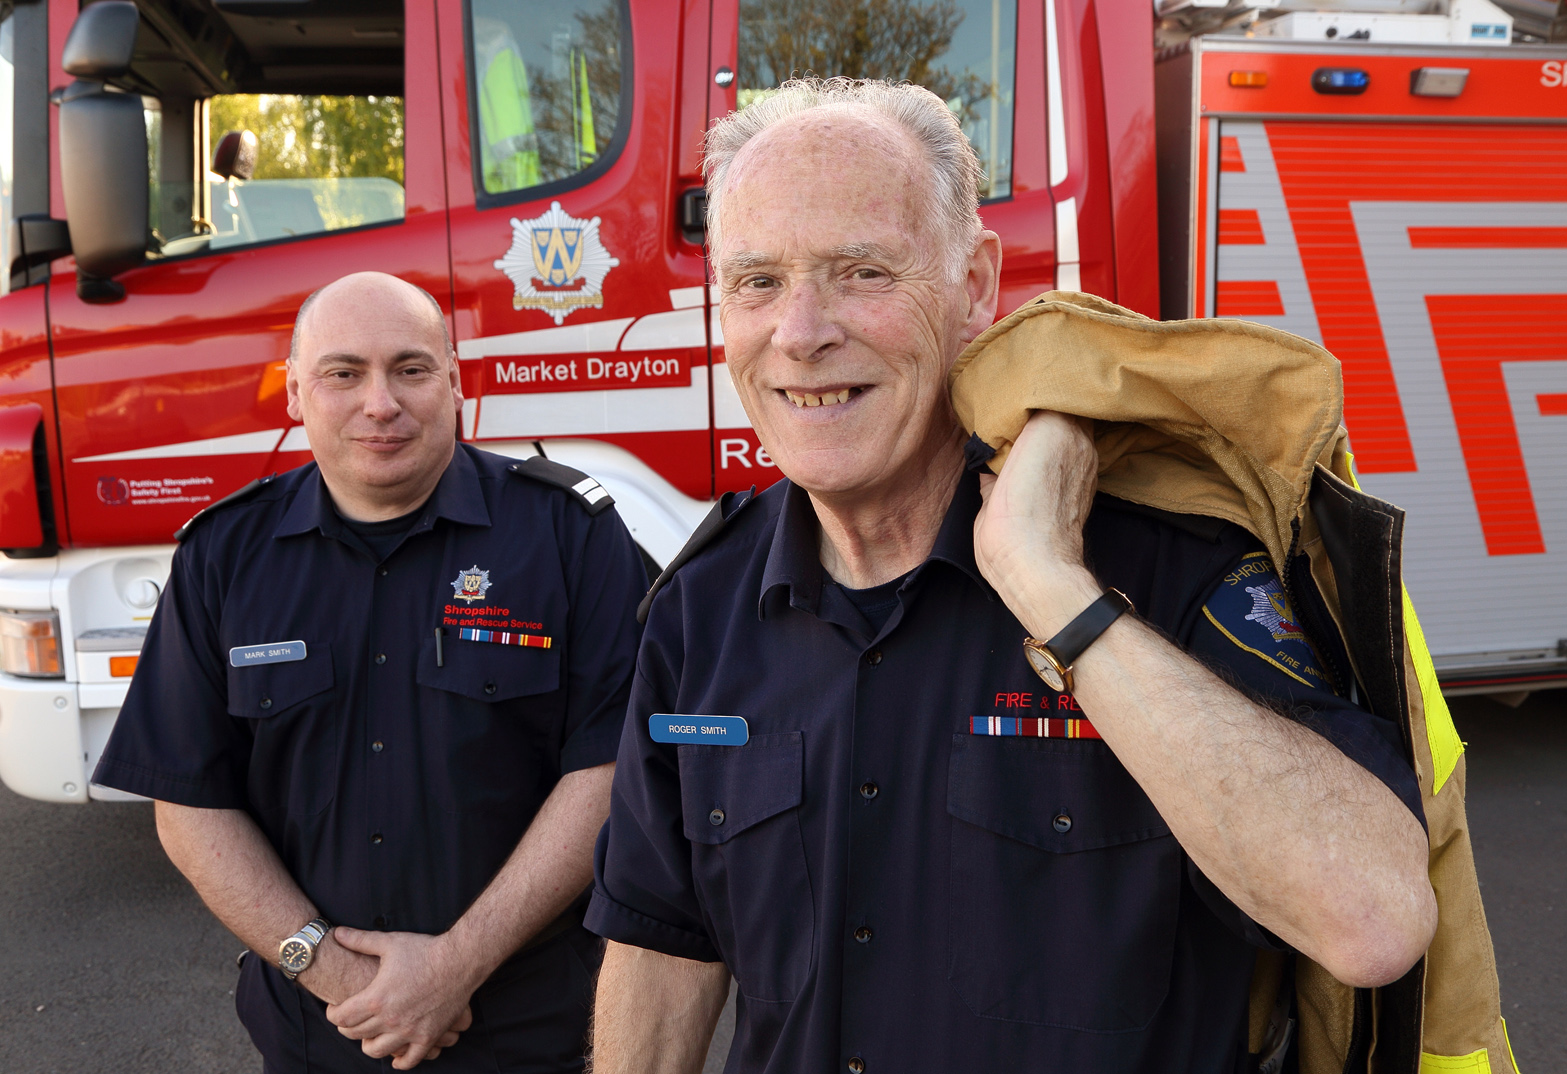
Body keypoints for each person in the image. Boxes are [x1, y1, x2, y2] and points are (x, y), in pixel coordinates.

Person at [585, 79, 1437, 1073]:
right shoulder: (699, 608)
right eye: (757, 281)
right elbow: (660, 944)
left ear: (977, 282)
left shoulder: (1167, 567)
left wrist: (1049, 587)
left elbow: (1373, 921)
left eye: (861, 271)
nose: (801, 330)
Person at [92, 272, 645, 1072]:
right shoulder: (224, 554)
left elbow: (611, 765)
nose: (380, 403)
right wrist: (337, 975)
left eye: (412, 370)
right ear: (294, 393)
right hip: (321, 1028)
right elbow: (188, 803)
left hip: (531, 1025)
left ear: (456, 384)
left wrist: (456, 965)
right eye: (343, 373)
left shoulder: (568, 536)